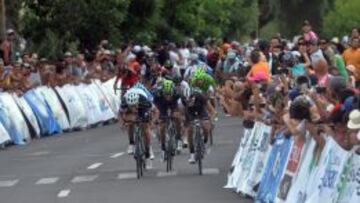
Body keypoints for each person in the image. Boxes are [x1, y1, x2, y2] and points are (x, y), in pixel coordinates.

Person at [119, 85, 154, 169]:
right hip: (131, 96)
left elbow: (154, 112)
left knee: (145, 127)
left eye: (135, 105)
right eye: (132, 106)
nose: (134, 108)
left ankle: (148, 153)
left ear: (137, 102)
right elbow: (120, 114)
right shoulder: (124, 102)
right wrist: (122, 123)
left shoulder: (144, 101)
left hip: (143, 99)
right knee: (130, 121)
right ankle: (131, 143)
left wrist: (151, 123)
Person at [153, 79, 183, 160]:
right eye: (166, 94)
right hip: (161, 104)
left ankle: (179, 138)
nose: (168, 96)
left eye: (169, 94)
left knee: (177, 117)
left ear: (173, 91)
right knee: (162, 127)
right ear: (162, 91)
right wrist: (157, 118)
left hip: (173, 103)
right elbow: (155, 107)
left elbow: (181, 105)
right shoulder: (157, 93)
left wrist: (180, 114)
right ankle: (163, 148)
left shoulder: (177, 93)